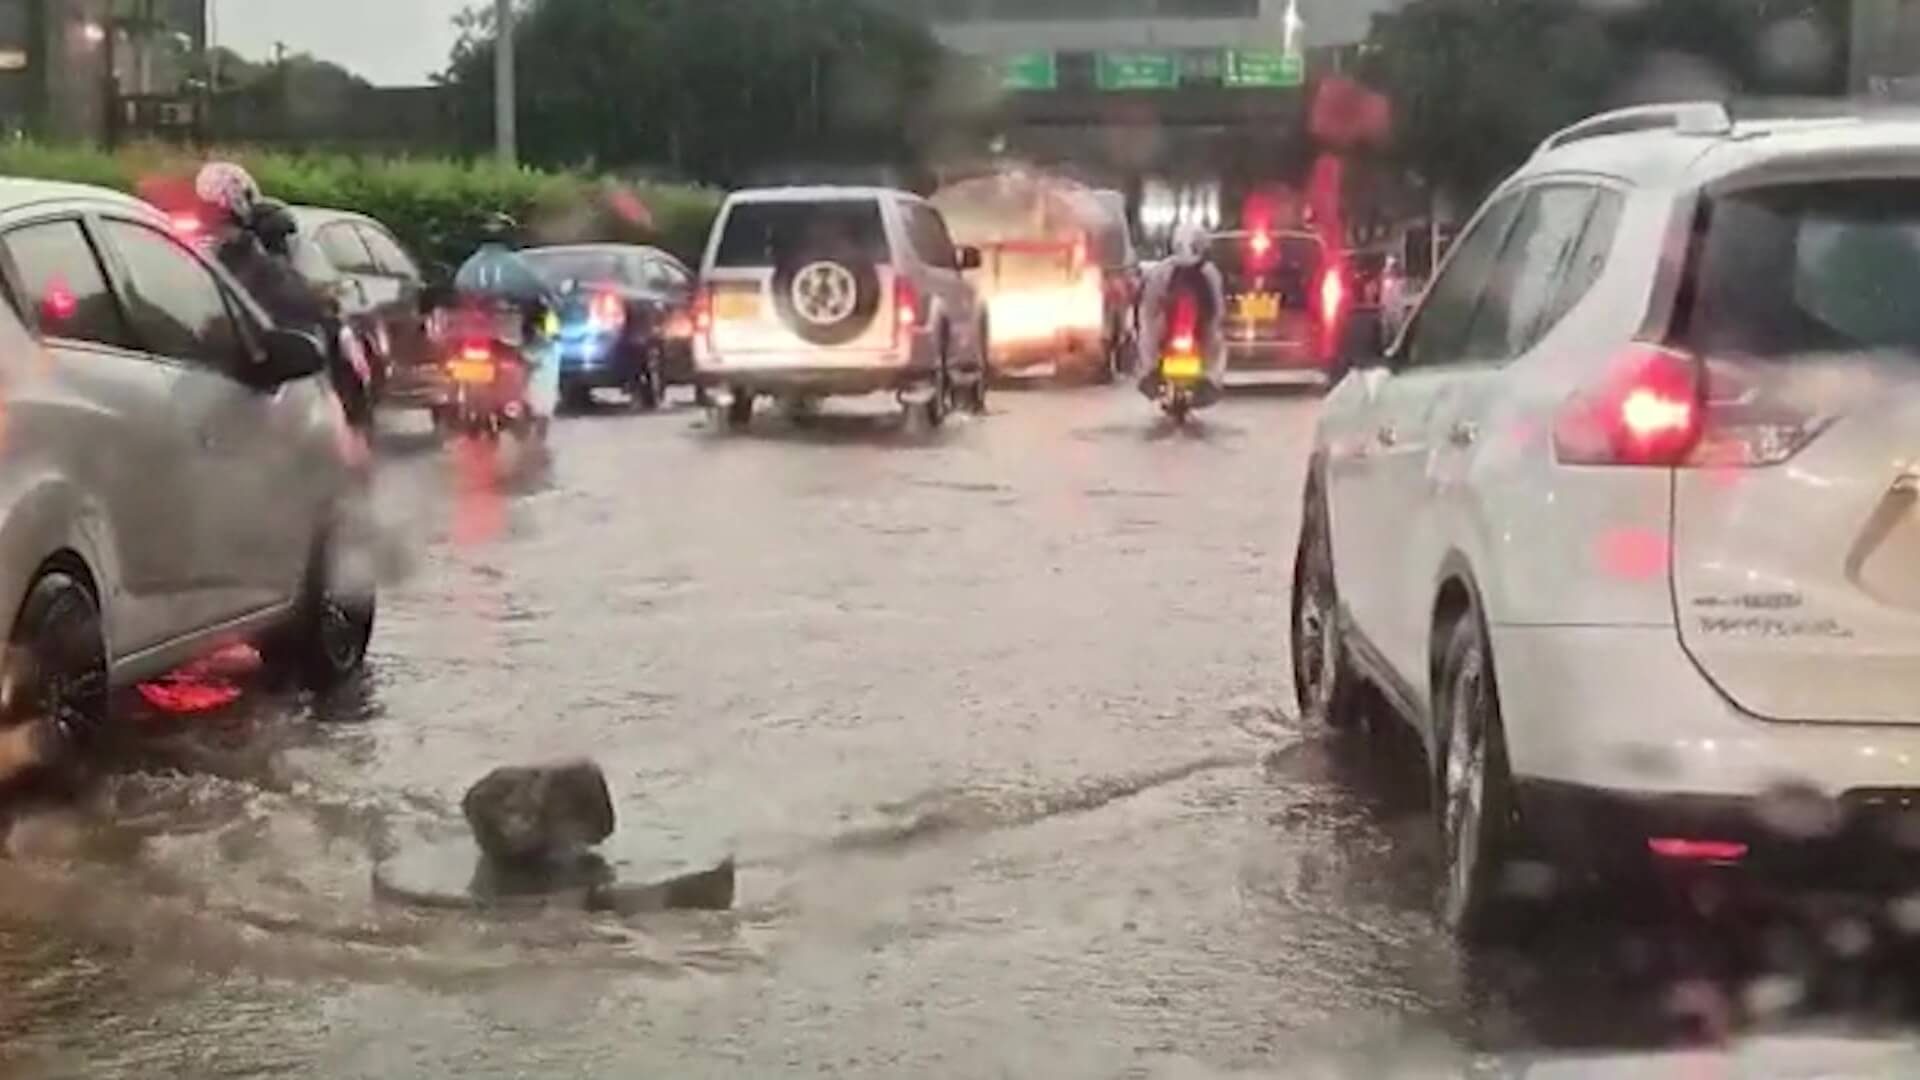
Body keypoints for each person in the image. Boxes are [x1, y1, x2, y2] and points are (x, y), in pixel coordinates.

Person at [1136, 222, 1226, 406]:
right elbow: (1149, 304)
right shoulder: (1166, 271)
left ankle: (1208, 378)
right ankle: (1151, 373)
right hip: (1173, 330)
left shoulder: (1165, 270)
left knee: (1215, 344)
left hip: (1195, 330)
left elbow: (1148, 306)